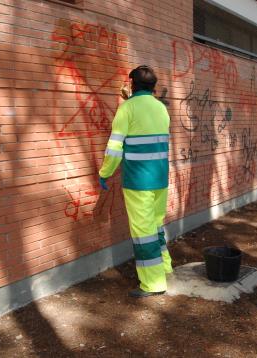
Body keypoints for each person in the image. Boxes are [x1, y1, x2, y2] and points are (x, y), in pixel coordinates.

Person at [98, 65, 172, 298]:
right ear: (153, 86)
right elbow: (145, 120)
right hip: (160, 177)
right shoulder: (161, 108)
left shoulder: (127, 109)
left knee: (143, 232)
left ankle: (153, 284)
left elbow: (115, 146)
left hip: (138, 180)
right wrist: (130, 100)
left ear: (132, 85)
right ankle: (165, 267)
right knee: (156, 225)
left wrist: (105, 173)